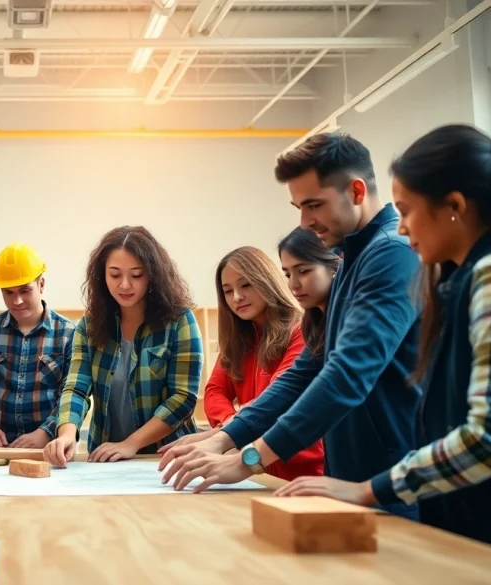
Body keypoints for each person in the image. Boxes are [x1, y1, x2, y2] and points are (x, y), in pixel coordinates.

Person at [277, 126, 491, 553]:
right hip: (465, 522)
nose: (403, 228)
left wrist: (370, 490)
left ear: (454, 207)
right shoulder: (457, 276)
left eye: (407, 211)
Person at [159, 132, 422, 521]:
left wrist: (249, 458)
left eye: (314, 204)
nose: (305, 221)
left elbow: (347, 373)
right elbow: (303, 374)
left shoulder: (390, 255)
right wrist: (224, 439)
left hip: (389, 479)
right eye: (299, 206)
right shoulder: (353, 256)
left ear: (356, 190)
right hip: (348, 474)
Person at [44, 226, 204, 466]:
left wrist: (132, 443)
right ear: (102, 276)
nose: (125, 285)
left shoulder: (179, 322)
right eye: (115, 275)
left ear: (153, 275)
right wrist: (67, 433)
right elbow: (76, 388)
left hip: (167, 456)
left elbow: (182, 398)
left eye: (136, 275)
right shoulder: (89, 326)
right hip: (106, 459)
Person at [201, 246, 323, 481]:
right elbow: (215, 391)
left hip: (298, 470)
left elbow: (277, 399)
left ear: (267, 281)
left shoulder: (301, 330)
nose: (237, 297)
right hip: (251, 469)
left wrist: (230, 433)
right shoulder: (237, 340)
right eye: (228, 291)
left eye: (246, 285)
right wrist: (230, 426)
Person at [0, 243, 76, 448]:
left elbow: (72, 393)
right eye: (8, 292)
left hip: (51, 447)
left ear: (41, 284)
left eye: (25, 290)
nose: (17, 300)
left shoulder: (67, 333)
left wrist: (46, 432)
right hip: (0, 448)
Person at [277, 227, 341, 357]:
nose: (293, 285)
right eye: (288, 275)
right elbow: (301, 371)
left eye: (303, 271)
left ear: (334, 266)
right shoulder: (312, 323)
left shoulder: (350, 318)